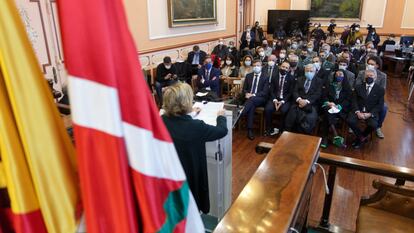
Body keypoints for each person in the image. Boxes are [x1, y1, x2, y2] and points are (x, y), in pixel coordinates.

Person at [161, 82, 228, 214]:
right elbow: (221, 131)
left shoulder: (162, 120)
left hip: (170, 177)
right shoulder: (196, 127)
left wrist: (191, 113)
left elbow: (178, 122)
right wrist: (221, 116)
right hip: (191, 179)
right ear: (186, 102)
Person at [347, 69, 385, 149]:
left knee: (373, 125)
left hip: (370, 112)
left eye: (371, 76)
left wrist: (370, 114)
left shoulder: (380, 90)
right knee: (350, 120)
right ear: (364, 77)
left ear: (375, 77)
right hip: (358, 110)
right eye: (367, 76)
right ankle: (362, 137)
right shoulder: (358, 87)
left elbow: (380, 105)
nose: (369, 77)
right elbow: (354, 101)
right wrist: (357, 112)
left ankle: (361, 137)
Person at [285, 63, 323, 134]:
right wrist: (299, 100)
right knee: (291, 116)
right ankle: (289, 134)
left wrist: (306, 101)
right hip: (298, 103)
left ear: (315, 72)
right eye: (307, 71)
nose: (309, 73)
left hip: (311, 104)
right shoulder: (299, 79)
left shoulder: (319, 81)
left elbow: (317, 94)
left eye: (311, 71)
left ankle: (305, 135)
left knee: (309, 118)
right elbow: (295, 91)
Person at [355, 56, 387, 138]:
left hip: (375, 97)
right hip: (362, 94)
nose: (369, 65)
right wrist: (366, 78)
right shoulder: (362, 72)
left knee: (384, 107)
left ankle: (378, 127)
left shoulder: (382, 76)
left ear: (377, 65)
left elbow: (382, 90)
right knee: (355, 101)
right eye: (368, 63)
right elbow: (357, 85)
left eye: (372, 64)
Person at [320, 70, 353, 148]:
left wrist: (339, 106)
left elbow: (348, 100)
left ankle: (325, 138)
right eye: (337, 74)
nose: (338, 75)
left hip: (341, 109)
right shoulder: (330, 85)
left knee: (327, 115)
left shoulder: (347, 87)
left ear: (344, 76)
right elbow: (324, 96)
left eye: (340, 74)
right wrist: (328, 102)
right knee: (328, 110)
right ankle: (336, 136)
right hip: (329, 106)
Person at [264, 61, 295, 136]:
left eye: (286, 68)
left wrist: (283, 101)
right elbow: (271, 90)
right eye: (283, 67)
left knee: (284, 110)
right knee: (268, 109)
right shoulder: (274, 76)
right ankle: (269, 129)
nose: (284, 69)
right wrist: (274, 100)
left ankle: (281, 129)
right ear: (280, 67)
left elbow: (290, 93)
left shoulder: (291, 78)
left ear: (289, 69)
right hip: (274, 98)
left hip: (285, 99)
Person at [241, 60, 269, 140]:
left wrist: (252, 95)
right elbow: (244, 89)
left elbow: (265, 92)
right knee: (251, 106)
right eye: (254, 65)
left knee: (252, 100)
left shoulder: (265, 77)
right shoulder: (248, 76)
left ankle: (241, 113)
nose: (256, 67)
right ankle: (250, 130)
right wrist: (246, 94)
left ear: (261, 67)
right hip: (250, 100)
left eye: (258, 65)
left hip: (261, 99)